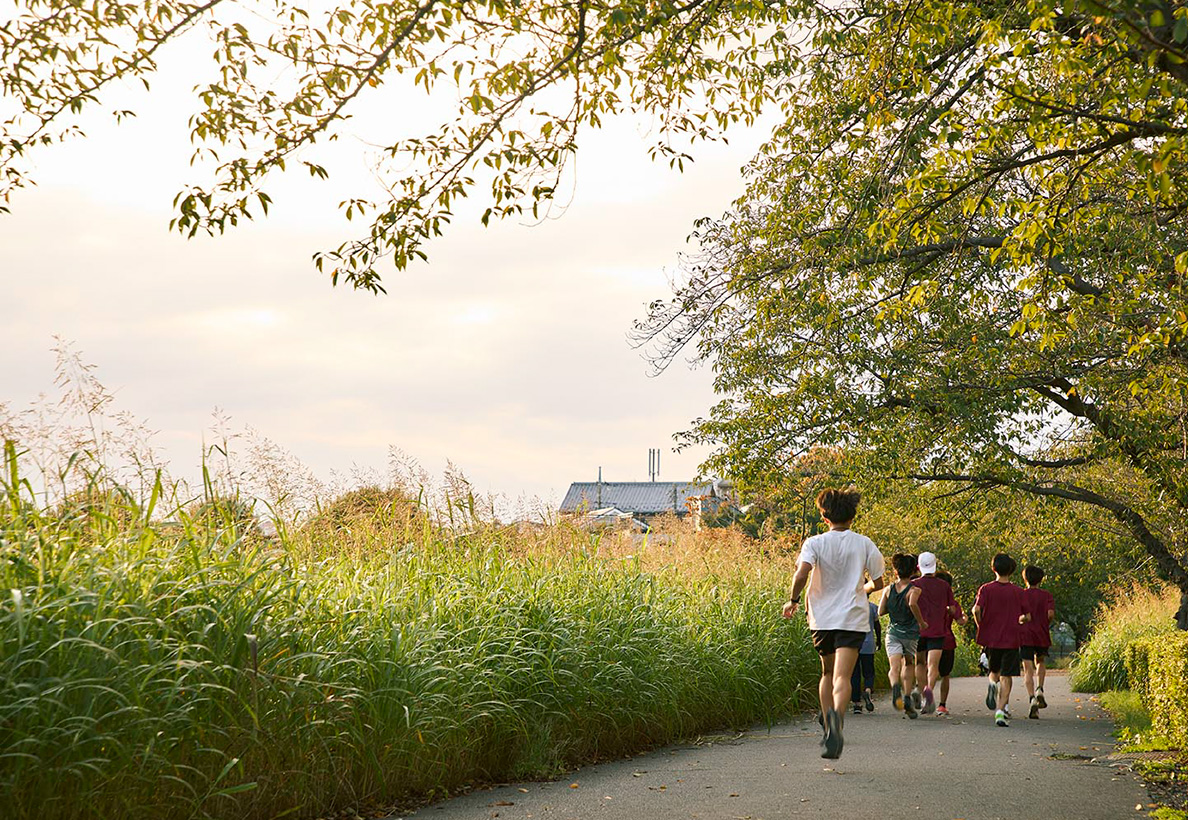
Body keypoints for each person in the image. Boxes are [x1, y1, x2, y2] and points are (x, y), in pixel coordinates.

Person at [783, 487, 886, 759]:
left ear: (824, 517)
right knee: (843, 676)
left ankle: (829, 723)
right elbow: (878, 583)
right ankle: (837, 722)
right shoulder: (864, 543)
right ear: (852, 517)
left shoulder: (814, 543)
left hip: (822, 618)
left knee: (827, 674)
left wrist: (793, 600)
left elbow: (801, 574)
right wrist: (858, 591)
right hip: (851, 617)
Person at [972, 552, 1030, 727]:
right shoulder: (1019, 592)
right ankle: (1000, 711)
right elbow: (1027, 616)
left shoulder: (986, 589)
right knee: (1007, 676)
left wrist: (981, 625)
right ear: (1011, 570)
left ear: (993, 568)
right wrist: (1019, 620)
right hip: (1011, 638)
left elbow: (976, 610)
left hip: (991, 638)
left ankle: (991, 684)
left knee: (994, 671)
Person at [879, 553, 925, 720]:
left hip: (893, 633)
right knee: (909, 663)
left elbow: (880, 611)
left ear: (896, 571)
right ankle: (906, 696)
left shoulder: (887, 589)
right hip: (910, 634)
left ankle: (895, 687)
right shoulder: (914, 590)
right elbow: (912, 603)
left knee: (894, 666)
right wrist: (921, 622)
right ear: (913, 570)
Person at [911, 551, 958, 714]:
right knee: (933, 666)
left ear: (918, 567)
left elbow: (910, 605)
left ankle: (922, 691)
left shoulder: (914, 584)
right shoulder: (944, 586)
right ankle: (929, 694)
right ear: (935, 565)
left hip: (918, 630)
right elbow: (952, 608)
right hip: (938, 631)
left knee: (919, 663)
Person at [1020, 565, 1056, 719]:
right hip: (1041, 633)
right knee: (1040, 660)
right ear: (1041, 579)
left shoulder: (1020, 595)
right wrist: (1044, 623)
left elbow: (1019, 615)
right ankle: (1040, 688)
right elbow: (1050, 614)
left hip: (1025, 634)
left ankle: (1031, 698)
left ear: (1025, 578)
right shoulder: (1047, 595)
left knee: (1027, 668)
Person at [850, 599, 881, 714]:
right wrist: (879, 641)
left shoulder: (850, 606)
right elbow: (877, 626)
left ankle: (857, 704)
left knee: (855, 674)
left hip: (853, 645)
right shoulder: (872, 607)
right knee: (869, 672)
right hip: (868, 645)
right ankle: (867, 690)